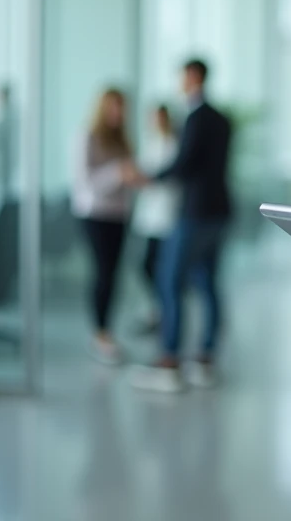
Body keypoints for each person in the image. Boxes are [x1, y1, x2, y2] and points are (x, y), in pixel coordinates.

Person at [130, 60, 233, 393]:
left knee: (169, 278)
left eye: (183, 77)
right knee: (207, 279)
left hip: (195, 212)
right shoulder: (222, 119)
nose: (181, 83)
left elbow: (185, 163)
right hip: (220, 210)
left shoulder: (196, 117)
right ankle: (205, 358)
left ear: (193, 77)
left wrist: (151, 178)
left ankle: (169, 360)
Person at [71, 88, 142, 366]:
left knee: (113, 274)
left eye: (122, 108)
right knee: (102, 273)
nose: (118, 113)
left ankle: (107, 330)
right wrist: (117, 173)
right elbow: (84, 182)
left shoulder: (123, 140)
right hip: (94, 215)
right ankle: (99, 333)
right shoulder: (86, 136)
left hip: (119, 215)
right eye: (113, 107)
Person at [129, 104, 179, 335]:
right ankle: (158, 310)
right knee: (148, 266)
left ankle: (163, 312)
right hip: (151, 214)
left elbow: (167, 176)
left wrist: (147, 179)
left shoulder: (174, 145)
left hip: (167, 214)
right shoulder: (150, 142)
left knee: (158, 266)